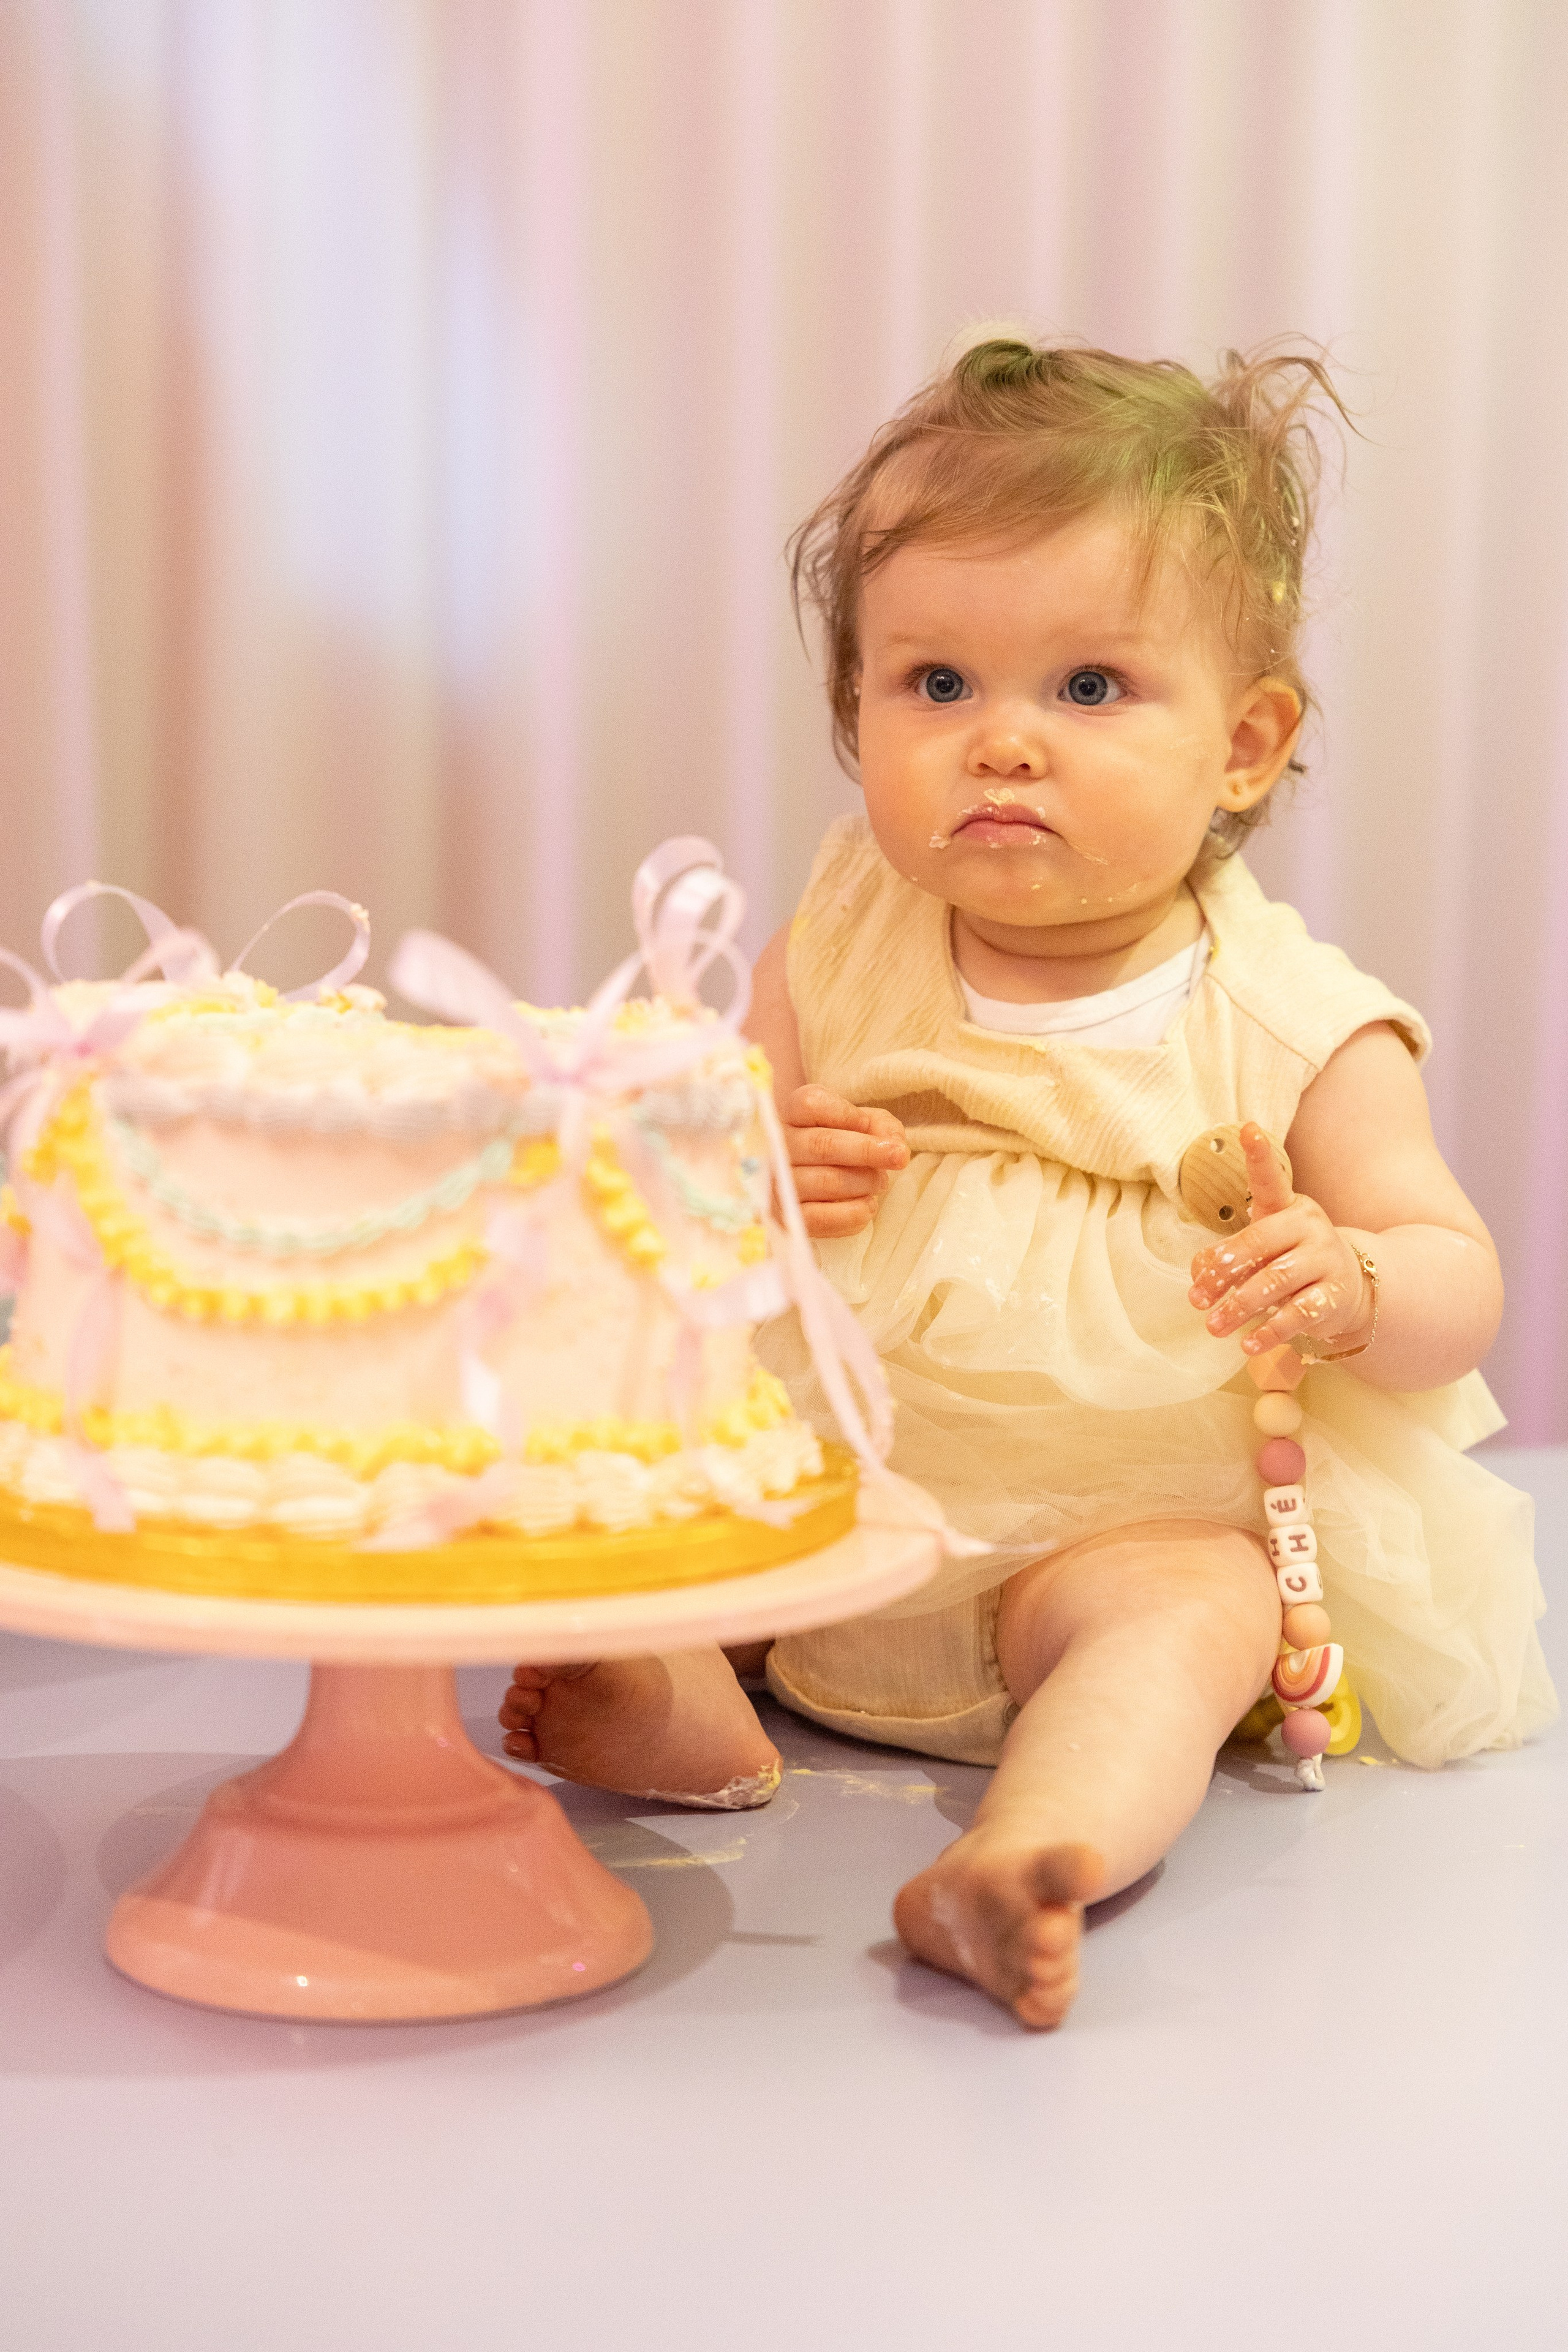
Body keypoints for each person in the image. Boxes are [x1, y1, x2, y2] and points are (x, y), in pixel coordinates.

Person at [500, 339, 1556, 2028]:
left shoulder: (1292, 1018)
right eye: (935, 686)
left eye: (1086, 690)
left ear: (1246, 744)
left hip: (1107, 1539)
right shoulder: (845, 934)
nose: (1001, 743)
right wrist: (749, 1158)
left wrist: (1354, 1283)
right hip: (824, 1515)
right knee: (630, 1470)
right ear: (855, 718)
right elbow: (686, 1169)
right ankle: (689, 1702)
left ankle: (1036, 1846)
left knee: (1187, 1616)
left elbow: (1457, 1280)